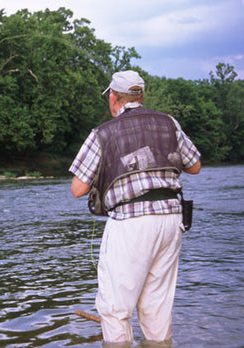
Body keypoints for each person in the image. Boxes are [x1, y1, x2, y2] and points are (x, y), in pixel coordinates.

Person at [69, 70, 201, 346]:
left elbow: (78, 189)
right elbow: (195, 166)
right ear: (141, 96)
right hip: (171, 219)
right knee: (157, 308)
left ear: (114, 98)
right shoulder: (168, 122)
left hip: (131, 222)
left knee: (114, 309)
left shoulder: (103, 133)